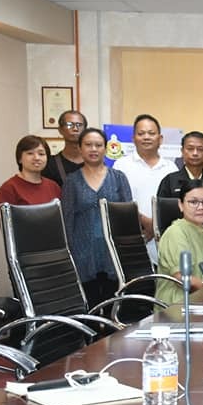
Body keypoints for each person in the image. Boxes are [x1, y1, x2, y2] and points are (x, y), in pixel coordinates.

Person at [61, 127, 133, 308]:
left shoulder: (119, 178)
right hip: (83, 254)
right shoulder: (71, 181)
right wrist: (69, 254)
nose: (93, 149)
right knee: (89, 306)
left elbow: (127, 217)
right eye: (88, 145)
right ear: (80, 148)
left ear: (105, 148)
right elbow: (67, 219)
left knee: (113, 305)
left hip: (112, 253)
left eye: (98, 145)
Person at [111, 114, 178, 262]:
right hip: (132, 236)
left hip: (164, 238)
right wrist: (144, 221)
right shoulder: (121, 166)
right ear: (133, 138)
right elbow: (118, 201)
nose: (146, 137)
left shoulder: (171, 168)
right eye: (141, 133)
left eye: (151, 133)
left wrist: (156, 225)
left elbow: (174, 204)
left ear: (160, 139)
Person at [154, 179, 203, 306]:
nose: (201, 207)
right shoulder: (176, 233)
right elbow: (184, 279)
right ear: (181, 205)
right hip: (177, 306)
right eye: (193, 202)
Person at [156, 131, 203, 229]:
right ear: (182, 151)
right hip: (178, 236)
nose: (195, 153)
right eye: (190, 149)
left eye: (200, 149)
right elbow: (162, 216)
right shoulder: (169, 181)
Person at [0, 135, 61, 219]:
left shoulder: (53, 187)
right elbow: (6, 224)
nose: (36, 158)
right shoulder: (8, 189)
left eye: (41, 154)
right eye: (30, 153)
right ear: (20, 158)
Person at [42, 109, 87, 185]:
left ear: (85, 130)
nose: (75, 129)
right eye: (69, 125)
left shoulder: (95, 162)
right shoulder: (50, 164)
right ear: (60, 130)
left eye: (79, 125)